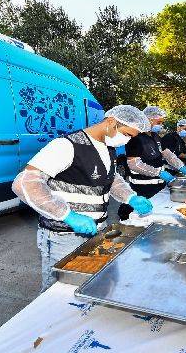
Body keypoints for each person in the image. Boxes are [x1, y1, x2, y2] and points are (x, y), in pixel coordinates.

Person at [12, 105, 154, 291]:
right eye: (127, 135)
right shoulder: (67, 145)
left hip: (96, 231)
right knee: (57, 291)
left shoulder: (108, 147)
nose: (126, 141)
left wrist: (130, 197)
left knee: (84, 284)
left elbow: (111, 178)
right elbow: (25, 183)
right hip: (63, 235)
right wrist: (67, 215)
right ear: (111, 122)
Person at [118, 106, 186, 220]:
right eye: (159, 122)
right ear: (148, 119)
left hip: (158, 186)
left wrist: (181, 167)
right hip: (142, 187)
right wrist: (158, 172)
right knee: (136, 215)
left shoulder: (155, 136)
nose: (161, 125)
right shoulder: (136, 137)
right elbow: (134, 164)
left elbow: (168, 154)